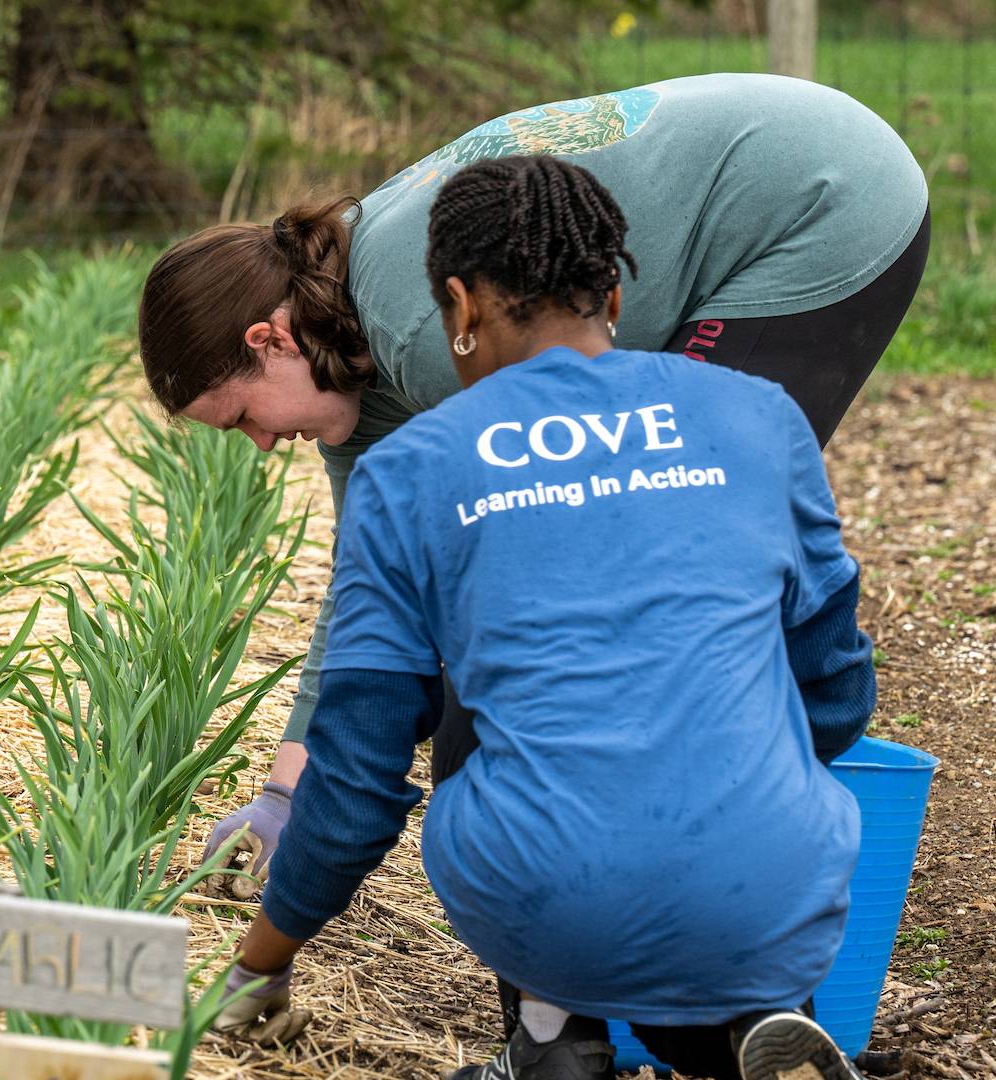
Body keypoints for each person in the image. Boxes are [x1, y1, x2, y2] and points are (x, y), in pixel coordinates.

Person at [135, 72, 927, 895]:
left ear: (269, 341)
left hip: (816, 203)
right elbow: (362, 596)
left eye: (241, 417)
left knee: (676, 518)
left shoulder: (420, 331)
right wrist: (284, 797)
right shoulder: (346, 352)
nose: (263, 445)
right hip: (785, 162)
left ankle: (736, 868)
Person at [210, 155, 875, 1080]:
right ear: (611, 288)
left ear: (459, 305)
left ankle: (555, 1041)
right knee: (733, 753)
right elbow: (836, 686)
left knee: (484, 731)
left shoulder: (407, 471)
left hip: (549, 896)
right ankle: (752, 1020)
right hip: (777, 889)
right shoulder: (757, 414)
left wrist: (258, 965)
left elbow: (358, 781)